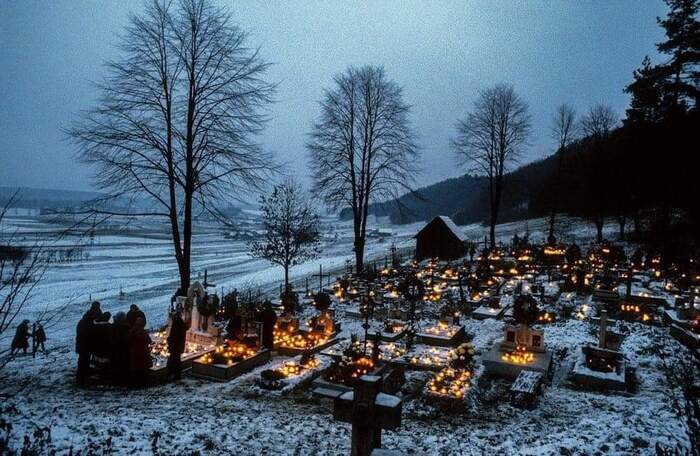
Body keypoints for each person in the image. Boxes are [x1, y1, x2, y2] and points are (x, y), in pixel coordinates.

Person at [75, 301, 102, 385]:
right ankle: (81, 379)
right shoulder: (88, 322)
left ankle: (82, 377)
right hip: (85, 346)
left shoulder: (85, 320)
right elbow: (88, 334)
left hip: (84, 345)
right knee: (84, 361)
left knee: (84, 361)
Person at [128, 317, 152, 387]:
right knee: (143, 368)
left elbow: (128, 339)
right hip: (143, 352)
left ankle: (136, 382)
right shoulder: (143, 332)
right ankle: (144, 383)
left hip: (134, 352)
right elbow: (149, 340)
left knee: (136, 368)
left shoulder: (132, 331)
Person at [166, 311, 187, 380]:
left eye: (173, 317)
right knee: (175, 360)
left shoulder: (177, 324)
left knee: (174, 361)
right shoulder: (179, 323)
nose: (172, 318)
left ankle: (175, 375)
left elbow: (175, 336)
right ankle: (175, 374)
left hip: (176, 346)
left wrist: (170, 340)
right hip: (177, 346)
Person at [111, 311, 130, 385]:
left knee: (116, 364)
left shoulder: (112, 326)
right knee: (122, 364)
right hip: (122, 348)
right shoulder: (125, 327)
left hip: (115, 348)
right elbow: (126, 339)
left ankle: (116, 379)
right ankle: (122, 380)